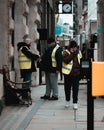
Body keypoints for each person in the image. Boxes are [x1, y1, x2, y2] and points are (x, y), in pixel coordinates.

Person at [62, 40, 82, 109]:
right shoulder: (65, 52)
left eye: (75, 47)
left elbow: (81, 62)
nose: (74, 49)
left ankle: (75, 102)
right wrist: (72, 54)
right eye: (73, 47)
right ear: (70, 47)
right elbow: (66, 61)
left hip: (76, 74)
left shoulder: (78, 53)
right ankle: (67, 101)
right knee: (67, 88)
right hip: (68, 74)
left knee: (75, 89)